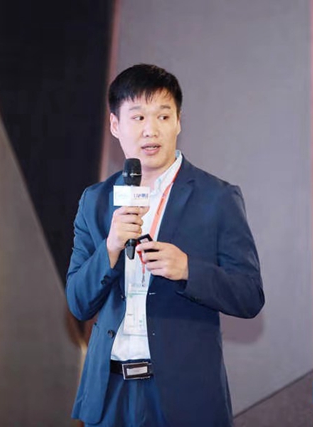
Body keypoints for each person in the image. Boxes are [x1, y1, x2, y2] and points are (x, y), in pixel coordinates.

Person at [66, 63, 264, 427]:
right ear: (115, 125)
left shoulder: (216, 197)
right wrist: (110, 247)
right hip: (109, 395)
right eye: (138, 117)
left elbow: (250, 295)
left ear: (178, 122)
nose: (151, 129)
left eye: (162, 115)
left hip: (183, 398)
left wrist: (188, 270)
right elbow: (78, 302)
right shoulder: (95, 201)